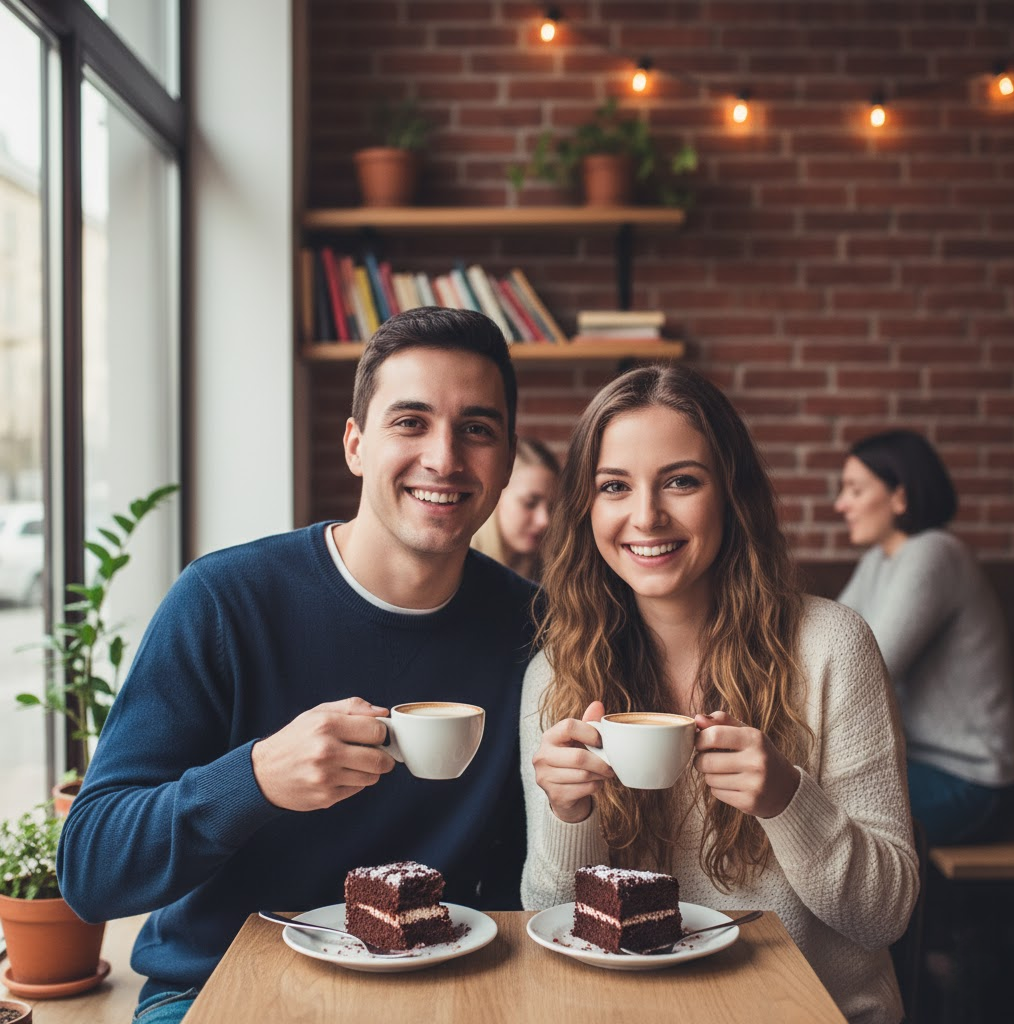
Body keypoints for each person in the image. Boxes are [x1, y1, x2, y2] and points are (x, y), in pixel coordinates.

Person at [57, 308, 537, 1023]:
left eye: (476, 428)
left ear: (504, 460)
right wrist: (253, 779)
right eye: (410, 422)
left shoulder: (538, 628)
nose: (444, 457)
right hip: (219, 987)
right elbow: (91, 868)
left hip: (452, 990)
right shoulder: (224, 601)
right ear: (355, 445)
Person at [521, 365, 918, 1024]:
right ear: (585, 509)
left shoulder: (831, 646)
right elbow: (550, 918)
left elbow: (886, 916)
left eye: (681, 481)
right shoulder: (557, 673)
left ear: (731, 493)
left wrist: (788, 799)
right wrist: (570, 819)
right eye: (614, 486)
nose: (646, 515)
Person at [834, 429, 1014, 846]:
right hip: (915, 764)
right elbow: (827, 645)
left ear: (900, 496)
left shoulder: (934, 553)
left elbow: (870, 667)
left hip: (970, 778)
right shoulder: (878, 561)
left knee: (821, 807)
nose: (840, 504)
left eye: (855, 489)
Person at [471, 437, 559, 580]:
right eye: (530, 503)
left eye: (551, 508)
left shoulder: (546, 579)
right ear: (494, 495)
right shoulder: (455, 573)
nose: (544, 521)